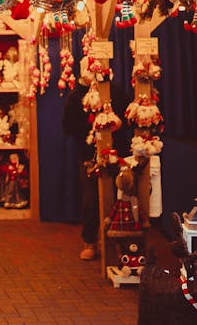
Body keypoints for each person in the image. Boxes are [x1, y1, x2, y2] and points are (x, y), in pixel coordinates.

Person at [62, 75, 130, 260]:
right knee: (90, 201)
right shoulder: (76, 96)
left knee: (120, 198)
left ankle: (118, 242)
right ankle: (90, 241)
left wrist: (117, 124)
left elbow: (126, 115)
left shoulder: (114, 91)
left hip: (117, 154)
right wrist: (92, 128)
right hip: (89, 156)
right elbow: (68, 126)